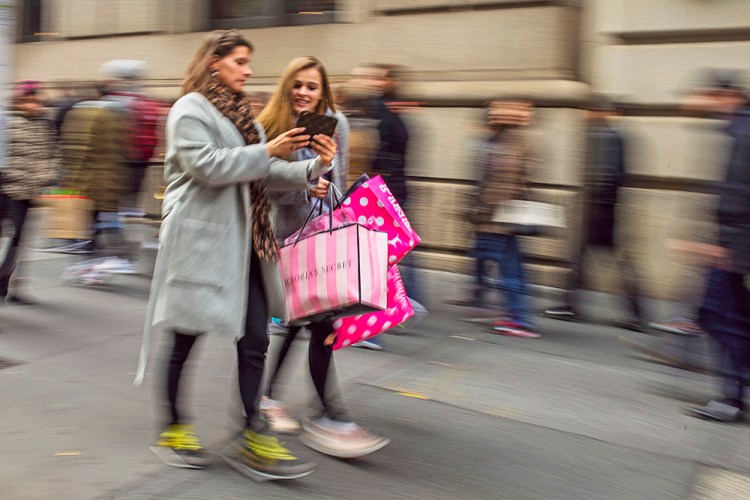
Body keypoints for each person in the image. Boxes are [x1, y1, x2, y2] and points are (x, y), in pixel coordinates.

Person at [134, 31, 336, 479]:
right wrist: (266, 151)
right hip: (202, 243)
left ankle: (253, 433)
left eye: (248, 62)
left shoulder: (247, 116)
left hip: (249, 245)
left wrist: (313, 166)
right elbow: (207, 165)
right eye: (240, 61)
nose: (247, 70)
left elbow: (264, 172)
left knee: (255, 341)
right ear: (213, 62)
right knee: (186, 337)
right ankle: (172, 428)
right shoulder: (189, 110)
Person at [257, 56, 390, 458]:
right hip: (288, 237)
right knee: (313, 324)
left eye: (312, 86)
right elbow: (262, 186)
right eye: (297, 84)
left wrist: (331, 200)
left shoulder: (337, 124)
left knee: (308, 323)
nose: (304, 92)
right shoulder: (272, 125)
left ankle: (275, 400)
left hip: (324, 238)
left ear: (323, 90)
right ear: (287, 86)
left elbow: (342, 180)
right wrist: (303, 185)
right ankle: (329, 415)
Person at [543, 95, 647, 332]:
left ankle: (633, 314)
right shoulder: (612, 135)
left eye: (586, 110)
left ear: (595, 111)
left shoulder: (603, 136)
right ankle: (575, 305)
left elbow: (606, 176)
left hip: (600, 212)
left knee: (607, 262)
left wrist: (595, 208)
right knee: (584, 260)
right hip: (604, 210)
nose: (583, 115)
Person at [685, 74, 750, 422]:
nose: (701, 102)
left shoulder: (743, 133)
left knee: (717, 315)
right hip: (734, 245)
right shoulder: (736, 130)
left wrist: (723, 248)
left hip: (734, 247)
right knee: (734, 317)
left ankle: (731, 397)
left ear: (728, 96)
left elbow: (740, 199)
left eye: (707, 95)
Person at [469, 99, 539, 338]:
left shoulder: (513, 144)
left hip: (499, 220)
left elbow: (503, 184)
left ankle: (519, 318)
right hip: (497, 218)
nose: (494, 113)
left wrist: (486, 212)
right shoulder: (503, 142)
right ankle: (517, 315)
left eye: (500, 110)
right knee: (510, 267)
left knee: (509, 269)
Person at [0, 81, 59, 303]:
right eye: (27, 100)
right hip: (4, 189)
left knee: (17, 240)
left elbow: (53, 154)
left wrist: (47, 175)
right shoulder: (6, 121)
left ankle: (6, 286)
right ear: (18, 101)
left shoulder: (46, 124)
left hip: (27, 192)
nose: (33, 105)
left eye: (36, 100)